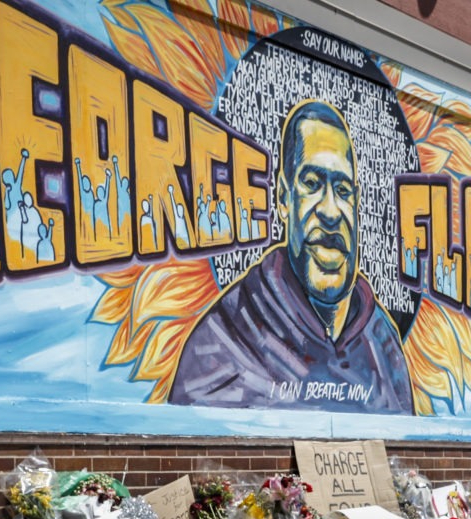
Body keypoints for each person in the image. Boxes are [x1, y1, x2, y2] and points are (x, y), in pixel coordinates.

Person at [169, 100, 413, 413]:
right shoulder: (224, 340)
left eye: (343, 190)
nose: (330, 211)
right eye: (312, 184)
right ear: (284, 199)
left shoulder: (382, 343)